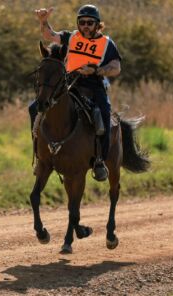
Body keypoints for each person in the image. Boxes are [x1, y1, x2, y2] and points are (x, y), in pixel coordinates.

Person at [31, 4, 122, 181]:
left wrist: (96, 71)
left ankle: (99, 161)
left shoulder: (107, 43)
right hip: (68, 85)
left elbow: (116, 67)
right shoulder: (71, 37)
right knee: (34, 107)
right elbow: (50, 35)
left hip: (93, 87)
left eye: (90, 22)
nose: (85, 26)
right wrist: (44, 21)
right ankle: (40, 157)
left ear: (98, 25)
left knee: (103, 115)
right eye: (82, 22)